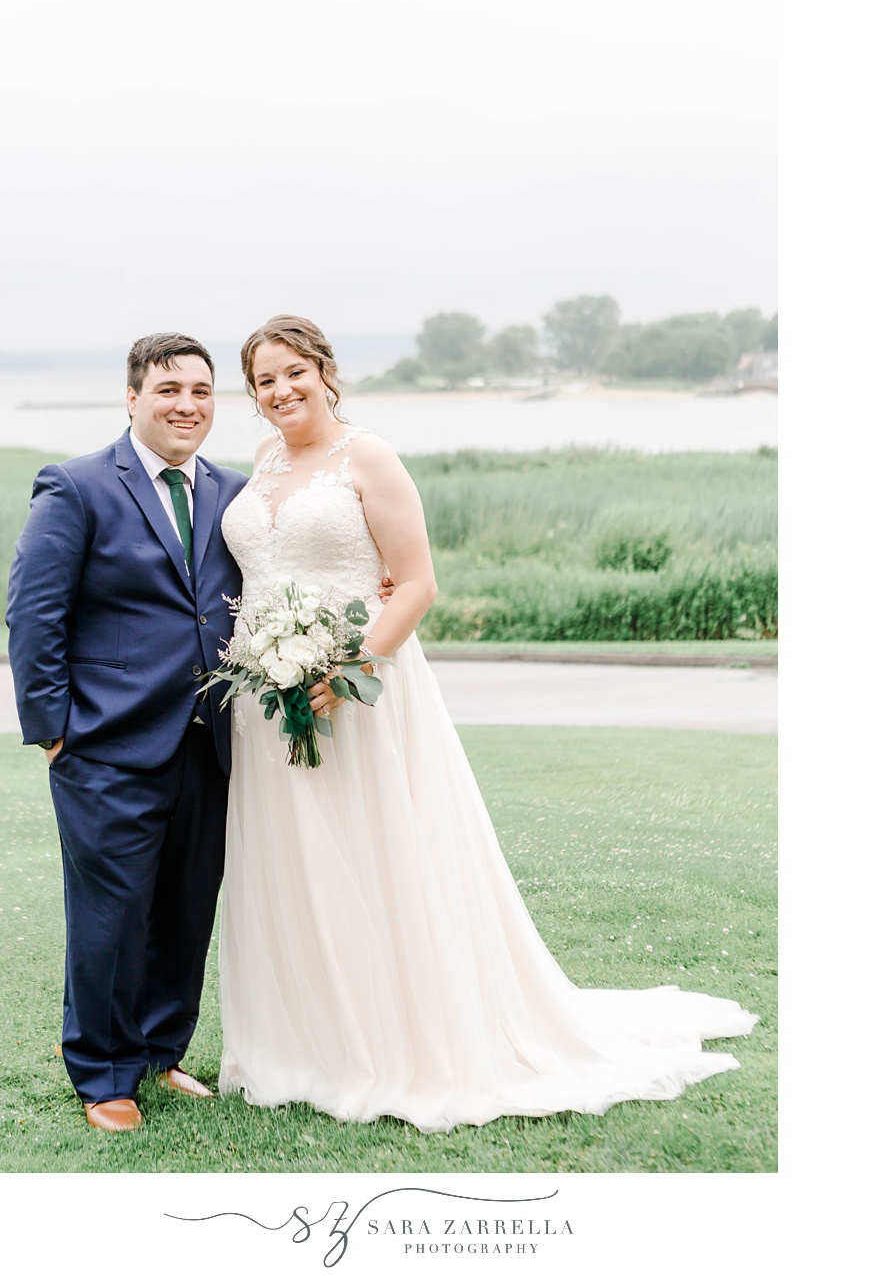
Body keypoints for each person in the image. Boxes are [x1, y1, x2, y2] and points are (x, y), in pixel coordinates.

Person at [217, 315, 759, 1133]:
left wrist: (347, 670)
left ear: (325, 370)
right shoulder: (261, 463)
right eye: (264, 380)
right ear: (252, 395)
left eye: (294, 371)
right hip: (270, 702)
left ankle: (401, 1041)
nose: (281, 390)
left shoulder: (366, 455)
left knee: (378, 856)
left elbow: (417, 582)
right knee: (296, 863)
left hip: (359, 693)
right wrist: (274, 662)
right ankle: (309, 1041)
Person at [6, 332, 247, 1131]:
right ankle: (104, 1075)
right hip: (104, 743)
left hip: (208, 742)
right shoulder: (74, 486)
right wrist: (52, 728)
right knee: (110, 914)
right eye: (170, 389)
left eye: (202, 391)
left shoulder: (233, 490)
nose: (187, 405)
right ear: (133, 396)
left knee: (185, 908)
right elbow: (34, 613)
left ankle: (159, 1051)